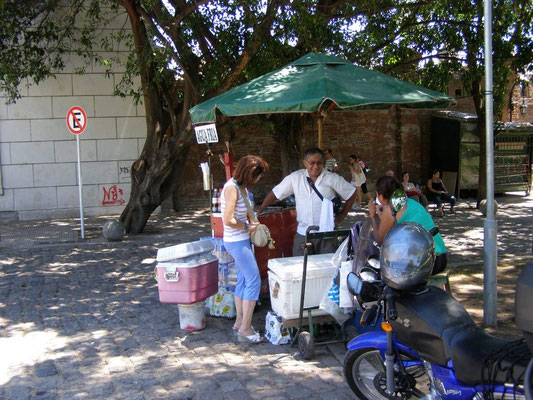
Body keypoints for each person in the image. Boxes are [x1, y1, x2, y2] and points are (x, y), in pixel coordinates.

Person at [258, 147, 356, 255]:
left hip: (327, 234)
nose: (316, 166)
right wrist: (262, 208)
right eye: (312, 163)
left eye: (319, 163)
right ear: (305, 163)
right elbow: (276, 193)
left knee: (326, 268)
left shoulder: (332, 178)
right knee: (300, 267)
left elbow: (351, 193)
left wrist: (342, 215)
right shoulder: (295, 178)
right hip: (303, 233)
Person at [221, 155, 269, 344]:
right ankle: (246, 328)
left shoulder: (240, 187)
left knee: (243, 280)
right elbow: (228, 220)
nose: (258, 180)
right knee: (253, 280)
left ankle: (239, 322)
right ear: (250, 174)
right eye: (258, 176)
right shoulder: (232, 189)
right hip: (237, 241)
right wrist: (246, 227)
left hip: (239, 241)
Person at [368, 175, 448, 275]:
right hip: (441, 257)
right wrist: (382, 216)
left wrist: (372, 216)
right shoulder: (409, 202)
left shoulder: (389, 211)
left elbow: (379, 240)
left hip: (426, 263)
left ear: (380, 195)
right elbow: (394, 231)